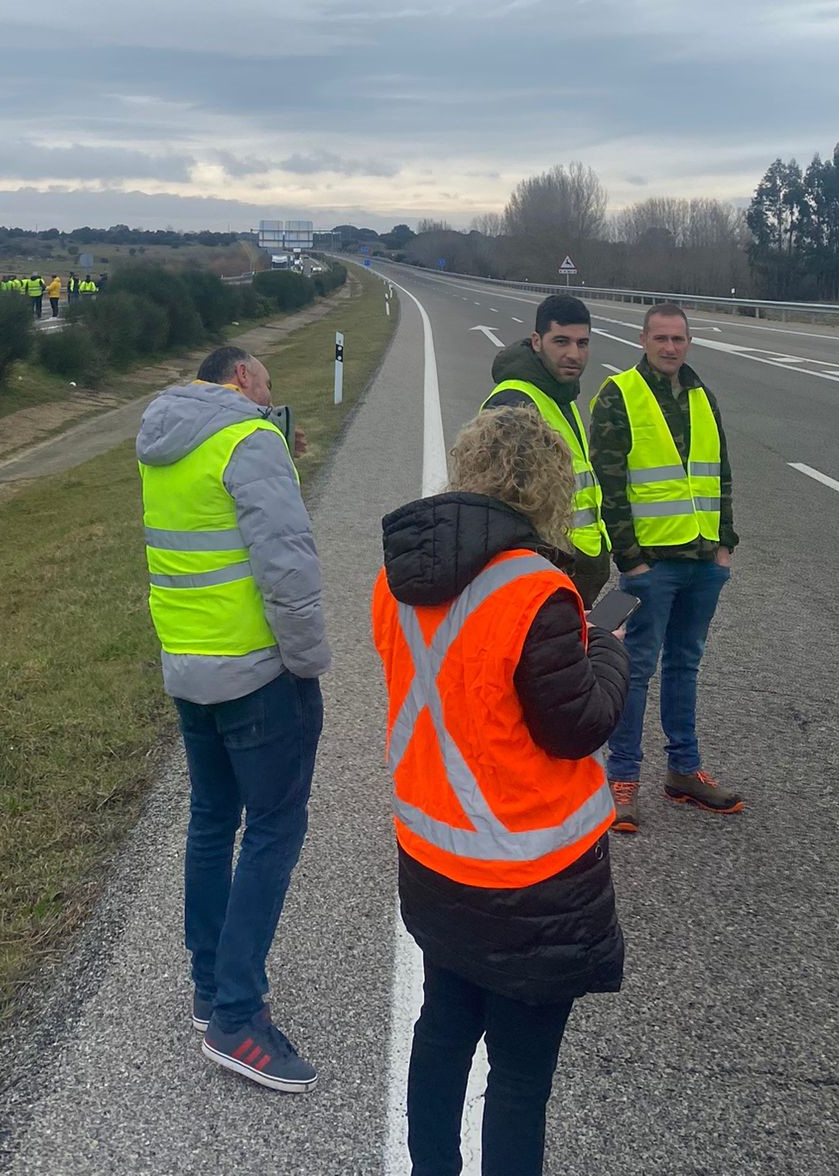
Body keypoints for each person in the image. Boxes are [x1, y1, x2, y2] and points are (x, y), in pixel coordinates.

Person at [371, 407, 628, 1176]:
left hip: (435, 857)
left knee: (443, 1030)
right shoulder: (536, 590)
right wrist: (608, 651)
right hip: (531, 877)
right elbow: (577, 724)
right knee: (518, 1078)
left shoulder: (397, 579)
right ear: (548, 489)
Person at [136, 344, 329, 1095]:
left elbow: (212, 526)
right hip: (255, 670)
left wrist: (280, 456)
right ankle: (238, 1017)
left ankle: (209, 985)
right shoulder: (250, 439)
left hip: (188, 662)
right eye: (266, 386)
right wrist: (307, 661)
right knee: (274, 828)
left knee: (213, 820)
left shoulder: (162, 436)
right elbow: (286, 562)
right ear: (243, 377)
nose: (268, 400)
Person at [589, 302, 742, 833]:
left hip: (703, 560)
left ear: (688, 342)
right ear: (643, 340)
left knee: (685, 665)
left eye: (679, 338)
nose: (670, 347)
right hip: (652, 565)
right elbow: (608, 483)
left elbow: (720, 473)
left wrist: (725, 544)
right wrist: (630, 559)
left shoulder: (702, 396)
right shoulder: (619, 394)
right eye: (661, 338)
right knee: (635, 669)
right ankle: (623, 778)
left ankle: (683, 770)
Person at [482, 294, 610, 604]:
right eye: (561, 341)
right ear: (537, 341)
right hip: (544, 580)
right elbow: (501, 511)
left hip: (568, 574)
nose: (574, 354)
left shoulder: (559, 395)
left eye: (582, 343)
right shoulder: (515, 404)